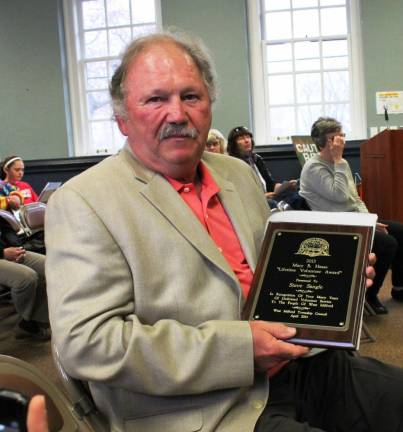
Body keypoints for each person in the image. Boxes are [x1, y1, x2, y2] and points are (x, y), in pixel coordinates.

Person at [45, 31, 403, 432]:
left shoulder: (235, 174)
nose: (177, 113)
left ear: (209, 106)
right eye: (155, 99)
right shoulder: (84, 201)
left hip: (305, 363)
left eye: (191, 96)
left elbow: (278, 274)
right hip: (206, 406)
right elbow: (89, 343)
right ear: (121, 118)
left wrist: (340, 280)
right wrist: (242, 348)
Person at [300, 117, 403, 314]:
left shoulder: (343, 163)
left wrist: (371, 220)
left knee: (400, 230)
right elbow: (338, 196)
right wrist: (338, 159)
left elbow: (355, 199)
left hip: (354, 218)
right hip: (335, 225)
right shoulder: (314, 167)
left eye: (341, 136)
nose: (340, 141)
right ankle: (369, 296)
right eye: (335, 137)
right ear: (324, 142)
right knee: (387, 243)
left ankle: (399, 288)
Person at [0, 218, 49, 340]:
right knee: (26, 277)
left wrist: (17, 248)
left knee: (48, 266)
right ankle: (28, 324)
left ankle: (36, 319)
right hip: (2, 254)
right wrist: (3, 253)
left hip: (8, 252)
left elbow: (6, 229)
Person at [227, 126, 298, 206]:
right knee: (274, 204)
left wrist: (286, 186)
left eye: (248, 137)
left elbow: (272, 185)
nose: (246, 140)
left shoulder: (257, 159)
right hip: (251, 203)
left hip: (269, 198)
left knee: (296, 197)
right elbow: (239, 194)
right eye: (241, 138)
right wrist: (262, 197)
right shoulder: (233, 164)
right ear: (234, 144)